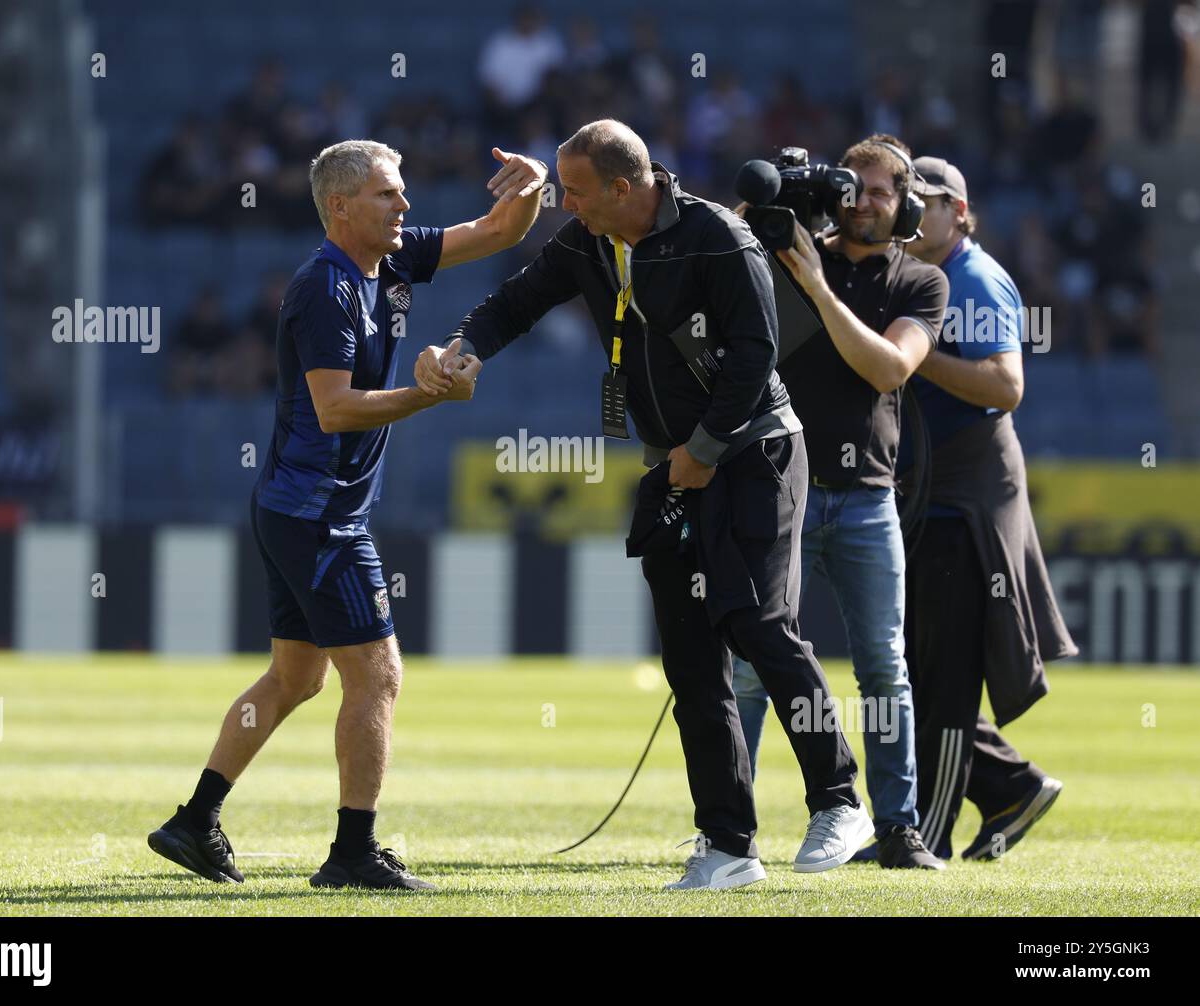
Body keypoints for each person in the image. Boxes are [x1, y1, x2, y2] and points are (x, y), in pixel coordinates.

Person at [418, 119, 873, 890]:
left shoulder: (718, 237)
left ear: (625, 188)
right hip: (673, 466)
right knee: (690, 656)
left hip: (753, 452)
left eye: (578, 192)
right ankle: (728, 845)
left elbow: (756, 356)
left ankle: (840, 800)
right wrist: (458, 348)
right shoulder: (589, 240)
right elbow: (516, 302)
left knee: (758, 622)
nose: (565, 205)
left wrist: (700, 451)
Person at [147, 139, 548, 891]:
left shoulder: (387, 260)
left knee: (296, 680)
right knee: (379, 678)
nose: (405, 207)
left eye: (401, 194)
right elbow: (335, 412)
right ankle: (352, 855)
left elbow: (496, 232)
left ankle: (193, 822)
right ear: (341, 208)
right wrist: (433, 392)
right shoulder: (326, 288)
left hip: (297, 510)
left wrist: (534, 184)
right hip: (317, 516)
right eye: (387, 196)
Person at [731, 136, 949, 869]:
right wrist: (765, 203)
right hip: (780, 492)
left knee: (884, 668)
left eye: (884, 191)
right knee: (752, 667)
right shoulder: (788, 250)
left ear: (908, 204)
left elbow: (889, 368)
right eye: (853, 186)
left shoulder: (919, 282)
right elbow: (717, 271)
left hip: (864, 498)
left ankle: (898, 828)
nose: (864, 200)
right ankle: (732, 830)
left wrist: (819, 286)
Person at [899, 155, 1075, 860]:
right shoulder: (916, 275)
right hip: (929, 494)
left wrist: (912, 354)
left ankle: (926, 832)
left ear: (960, 212)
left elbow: (1005, 384)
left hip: (964, 499)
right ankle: (1012, 787)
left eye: (928, 200)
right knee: (916, 668)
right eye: (905, 199)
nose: (914, 211)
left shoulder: (972, 279)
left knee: (939, 675)